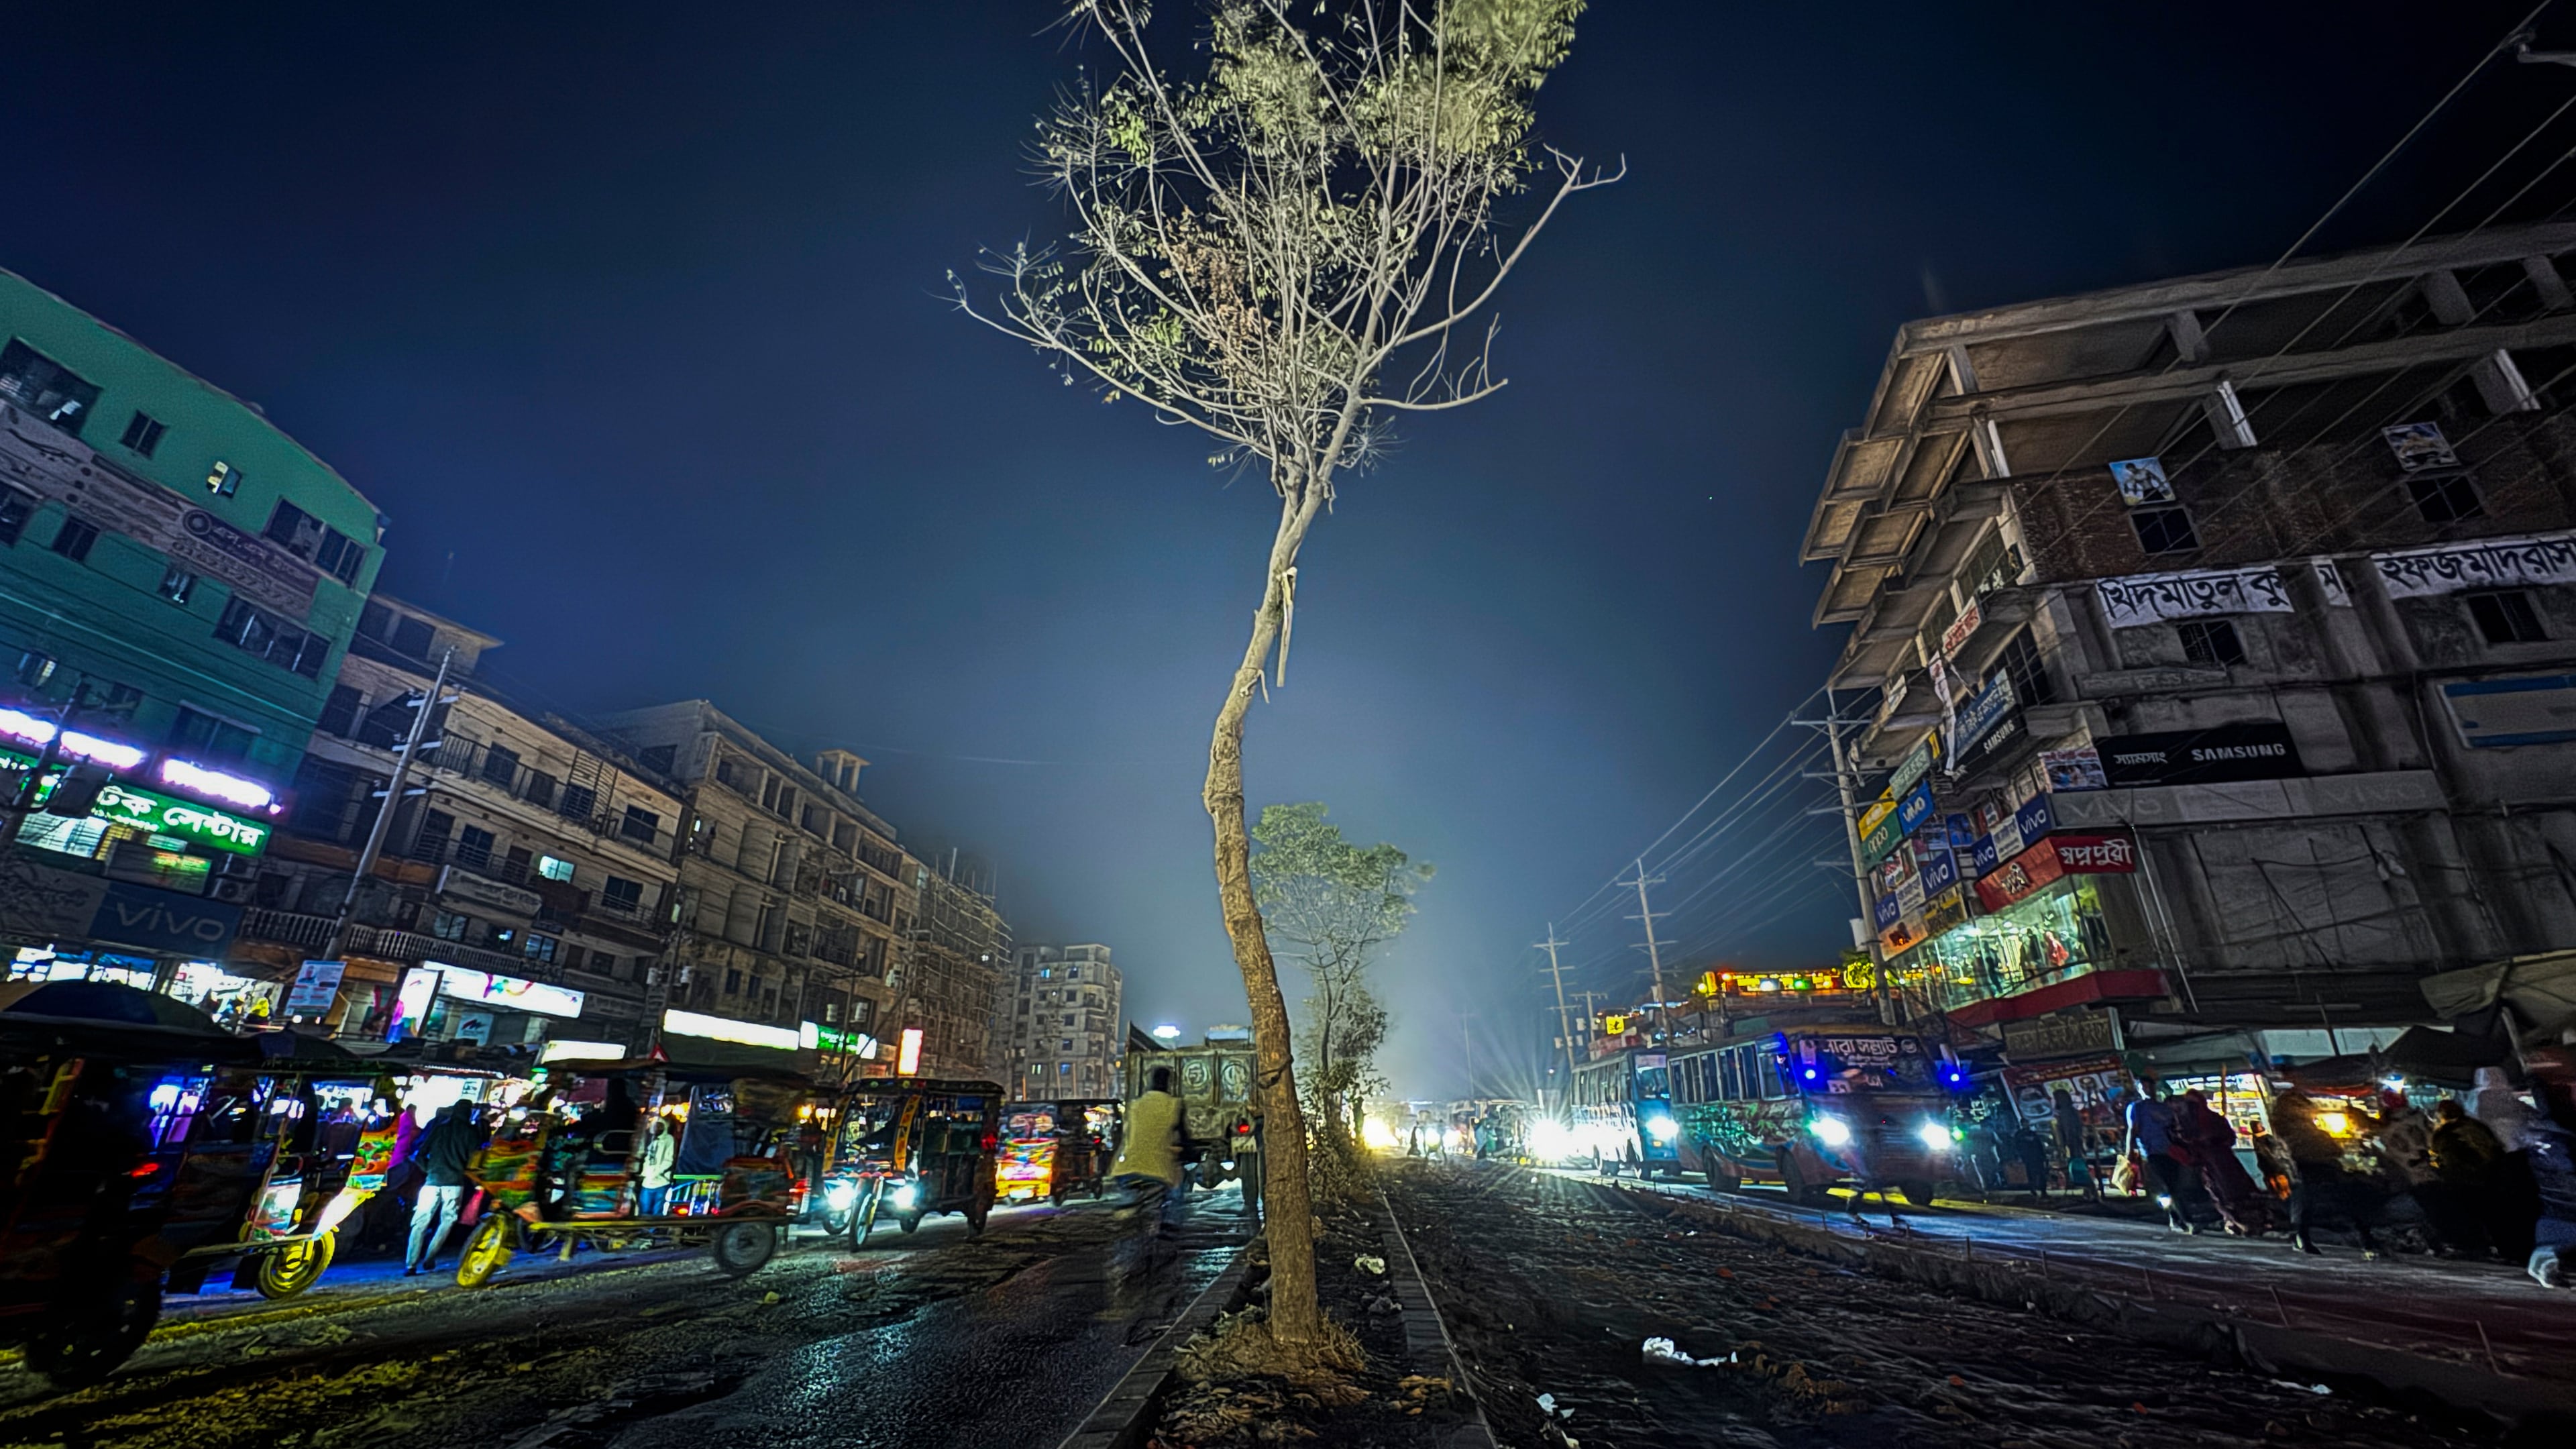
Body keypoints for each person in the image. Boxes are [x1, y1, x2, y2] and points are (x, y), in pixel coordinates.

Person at [2170, 1089, 2267, 1234]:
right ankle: (2235, 1220)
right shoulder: (2187, 1121)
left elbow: (2229, 1137)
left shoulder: (2209, 1119)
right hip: (2212, 1162)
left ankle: (2244, 1221)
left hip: (2222, 1162)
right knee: (2221, 1192)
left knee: (2231, 1191)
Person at [405, 1103, 484, 1276]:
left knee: (419, 1223)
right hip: (454, 1183)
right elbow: (475, 1158)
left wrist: (430, 1170)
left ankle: (410, 1265)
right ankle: (430, 1257)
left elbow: (419, 1155)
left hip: (431, 1182)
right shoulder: (471, 1132)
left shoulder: (440, 1129)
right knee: (447, 1221)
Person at [1110, 1066, 1189, 1235]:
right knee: (1177, 1189)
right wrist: (1188, 1152)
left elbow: (1125, 1135)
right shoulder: (1175, 1105)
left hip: (1125, 1170)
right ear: (1169, 1083)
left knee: (1127, 1204)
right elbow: (1183, 1136)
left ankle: (1127, 1210)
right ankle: (1170, 1224)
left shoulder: (1134, 1105)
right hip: (1158, 1170)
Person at [2124, 1082, 2194, 1232]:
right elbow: (2133, 1129)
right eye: (2144, 1087)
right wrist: (2129, 1152)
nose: (2148, 1089)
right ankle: (2184, 1219)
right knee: (2165, 1187)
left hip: (2172, 1151)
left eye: (2150, 1086)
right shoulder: (2137, 1108)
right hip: (2152, 1153)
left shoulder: (2165, 1107)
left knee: (2174, 1187)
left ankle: (2177, 1218)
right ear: (2139, 1089)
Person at [2051, 1089, 2098, 1202]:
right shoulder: (2067, 1112)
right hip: (2073, 1145)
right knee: (2077, 1166)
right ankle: (2089, 1191)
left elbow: (2070, 1131)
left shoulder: (2067, 1113)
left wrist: (2065, 1145)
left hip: (2073, 1145)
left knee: (2078, 1167)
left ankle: (2090, 1190)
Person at [639, 1116, 677, 1216]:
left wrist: (656, 1172)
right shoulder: (649, 1140)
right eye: (656, 1126)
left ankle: (654, 1231)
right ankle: (644, 1230)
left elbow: (668, 1160)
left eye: (660, 1126)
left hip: (661, 1181)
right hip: (647, 1182)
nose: (657, 1129)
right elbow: (645, 1157)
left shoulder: (669, 1139)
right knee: (644, 1209)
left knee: (658, 1210)